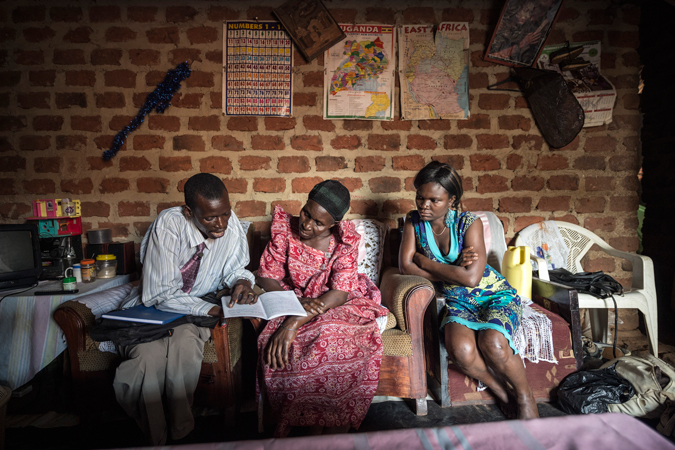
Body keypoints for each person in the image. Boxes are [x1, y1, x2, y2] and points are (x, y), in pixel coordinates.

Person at [113, 173, 258, 445]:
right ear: (189, 211)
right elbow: (160, 293)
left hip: (193, 313)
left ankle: (181, 432)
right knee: (145, 358)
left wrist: (241, 281)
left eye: (225, 213)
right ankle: (157, 439)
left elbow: (236, 268)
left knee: (185, 344)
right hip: (154, 309)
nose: (221, 224)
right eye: (210, 218)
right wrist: (213, 310)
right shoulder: (169, 225)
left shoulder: (230, 222)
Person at [399, 161, 539, 420]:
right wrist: (455, 272)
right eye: (420, 197)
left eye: (434, 200)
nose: (424, 205)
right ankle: (501, 391)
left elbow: (473, 278)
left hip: (493, 294)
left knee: (494, 343)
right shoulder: (413, 221)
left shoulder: (468, 223)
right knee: (461, 351)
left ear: (451, 200)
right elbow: (406, 267)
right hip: (455, 299)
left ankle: (524, 395)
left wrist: (426, 262)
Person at [256, 180, 388, 437]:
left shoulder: (343, 243)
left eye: (318, 222)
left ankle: (334, 426)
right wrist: (292, 302)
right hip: (291, 297)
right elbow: (266, 276)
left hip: (333, 301)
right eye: (306, 213)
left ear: (333, 224)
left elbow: (339, 293)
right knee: (282, 342)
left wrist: (292, 322)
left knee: (330, 333)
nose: (306, 224)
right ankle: (308, 424)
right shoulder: (285, 230)